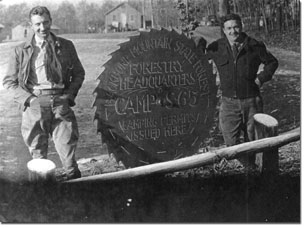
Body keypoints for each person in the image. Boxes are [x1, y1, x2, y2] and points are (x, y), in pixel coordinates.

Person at [3, 6, 85, 180]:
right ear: (31, 25)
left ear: (51, 22)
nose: (42, 28)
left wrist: (69, 96)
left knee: (68, 151)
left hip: (60, 103)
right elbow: (9, 82)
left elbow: (79, 73)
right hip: (35, 105)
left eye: (46, 22)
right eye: (38, 24)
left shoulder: (66, 46)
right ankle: (43, 198)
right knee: (38, 157)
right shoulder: (20, 50)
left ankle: (78, 191)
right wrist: (30, 100)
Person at [206, 13, 278, 165]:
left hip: (252, 101)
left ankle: (251, 170)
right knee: (230, 141)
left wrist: (260, 78)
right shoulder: (216, 47)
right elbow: (198, 58)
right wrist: (197, 43)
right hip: (228, 103)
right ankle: (246, 165)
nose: (233, 31)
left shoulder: (254, 45)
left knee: (253, 139)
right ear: (224, 30)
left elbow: (272, 62)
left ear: (241, 27)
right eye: (229, 28)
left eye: (236, 27)